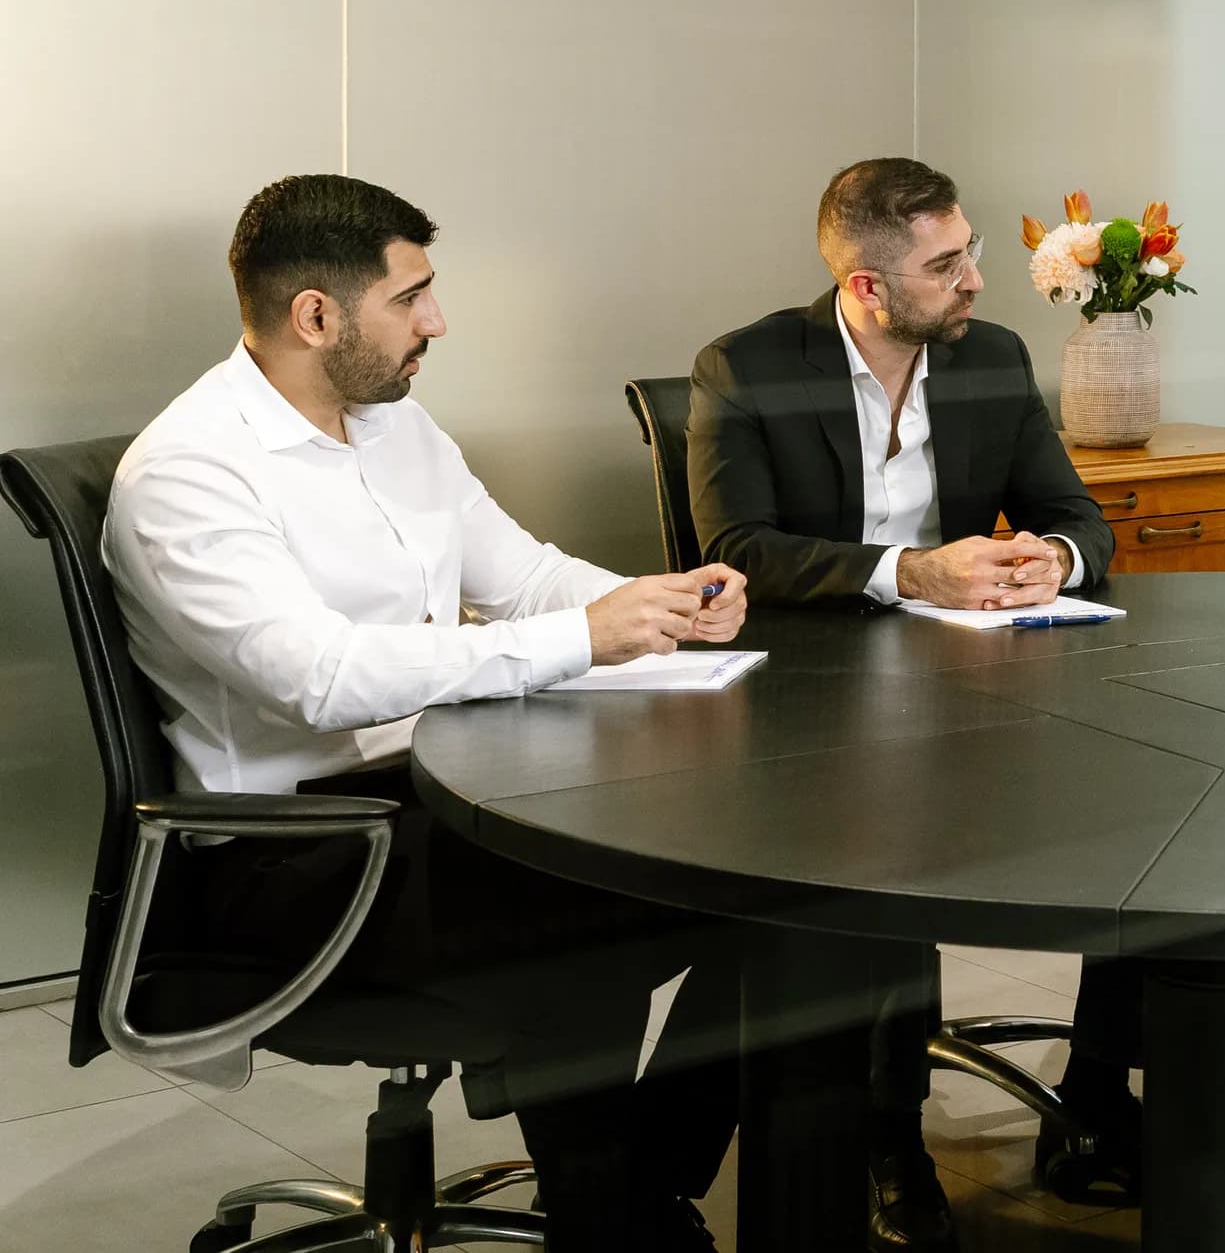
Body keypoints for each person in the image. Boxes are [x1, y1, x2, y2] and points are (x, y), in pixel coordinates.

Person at [103, 175, 749, 1252]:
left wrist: (658, 607)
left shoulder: (395, 427)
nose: (436, 322)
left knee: (759, 872)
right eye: (414, 297)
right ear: (317, 315)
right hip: (289, 857)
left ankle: (644, 1189)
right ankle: (621, 1221)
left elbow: (524, 574)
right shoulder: (188, 473)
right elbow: (320, 679)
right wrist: (584, 639)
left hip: (432, 791)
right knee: (584, 882)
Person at [685, 157, 1139, 1247]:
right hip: (803, 701)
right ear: (868, 289)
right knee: (877, 831)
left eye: (972, 249)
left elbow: (1078, 515)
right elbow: (735, 549)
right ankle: (884, 1134)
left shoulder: (990, 360)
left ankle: (1099, 1102)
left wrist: (1054, 562)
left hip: (972, 687)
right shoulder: (747, 367)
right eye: (949, 263)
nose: (978, 278)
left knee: (1144, 811)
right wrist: (908, 573)